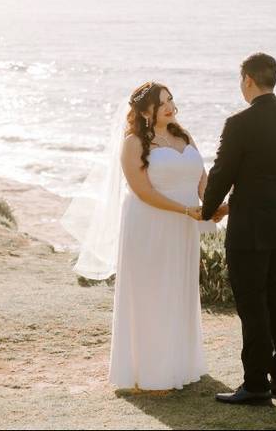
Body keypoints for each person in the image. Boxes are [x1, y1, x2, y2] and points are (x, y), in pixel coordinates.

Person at [202, 53, 276, 404]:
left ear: (247, 79)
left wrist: (207, 210)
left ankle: (256, 384)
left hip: (249, 226)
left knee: (252, 304)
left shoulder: (239, 123)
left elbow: (222, 172)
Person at [102, 81, 217, 391]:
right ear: (143, 110)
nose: (169, 106)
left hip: (184, 226)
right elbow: (142, 191)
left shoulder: (183, 135)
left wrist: (213, 206)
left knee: (179, 289)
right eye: (161, 102)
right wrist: (183, 209)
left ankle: (180, 363)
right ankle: (151, 369)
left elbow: (201, 178)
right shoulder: (133, 142)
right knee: (152, 292)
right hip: (150, 224)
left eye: (170, 99)